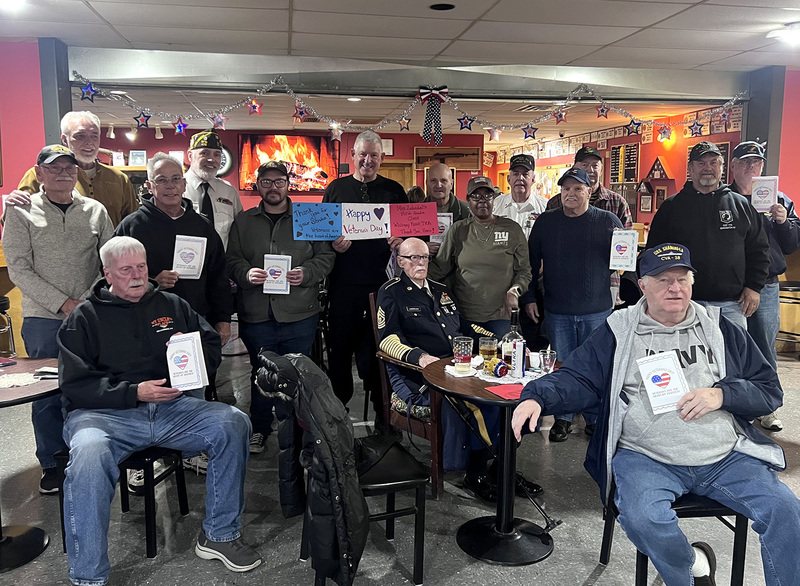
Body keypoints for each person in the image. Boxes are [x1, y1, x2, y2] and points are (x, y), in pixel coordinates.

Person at [512, 243, 800, 586]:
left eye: (682, 279)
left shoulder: (720, 328)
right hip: (647, 456)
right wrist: (537, 398)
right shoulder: (618, 331)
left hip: (723, 455)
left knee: (786, 510)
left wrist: (722, 394)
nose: (675, 288)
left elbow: (769, 390)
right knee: (643, 518)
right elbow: (578, 377)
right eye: (663, 279)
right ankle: (692, 568)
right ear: (643, 285)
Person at [57, 237, 261, 586]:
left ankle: (219, 535)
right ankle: (88, 575)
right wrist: (133, 392)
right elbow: (75, 384)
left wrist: (192, 356)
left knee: (233, 422)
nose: (137, 276)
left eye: (142, 267)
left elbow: (210, 342)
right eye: (126, 270)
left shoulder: (171, 304)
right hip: (105, 416)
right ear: (107, 273)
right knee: (88, 455)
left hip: (172, 408)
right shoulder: (84, 317)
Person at [377, 237, 541, 502]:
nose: (420, 263)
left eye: (424, 257)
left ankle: (502, 467)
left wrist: (502, 344)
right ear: (400, 261)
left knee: (511, 396)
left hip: (460, 367)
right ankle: (475, 473)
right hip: (420, 375)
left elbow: (466, 329)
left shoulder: (441, 289)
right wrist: (420, 358)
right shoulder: (391, 291)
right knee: (479, 405)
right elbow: (387, 339)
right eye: (413, 258)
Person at [2, 144, 114, 494]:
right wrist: (63, 302)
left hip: (89, 315)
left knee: (88, 385)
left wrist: (88, 299)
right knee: (47, 393)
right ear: (39, 172)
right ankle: (52, 461)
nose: (63, 173)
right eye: (54, 168)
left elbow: (107, 260)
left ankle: (88, 452)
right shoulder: (21, 212)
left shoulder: (95, 210)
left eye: (69, 167)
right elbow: (18, 266)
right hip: (42, 319)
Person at [115, 152, 233, 452]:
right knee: (145, 391)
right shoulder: (132, 227)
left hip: (190, 326)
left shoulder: (201, 226)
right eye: (162, 180)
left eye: (176, 179)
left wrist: (222, 318)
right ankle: (141, 454)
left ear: (184, 183)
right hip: (140, 328)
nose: (170, 186)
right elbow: (111, 279)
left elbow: (218, 275)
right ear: (150, 186)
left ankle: (192, 452)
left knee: (192, 390)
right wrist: (153, 281)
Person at [226, 160, 334, 454]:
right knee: (261, 372)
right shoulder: (243, 221)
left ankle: (298, 429)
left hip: (299, 311)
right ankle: (259, 428)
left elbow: (326, 257)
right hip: (257, 312)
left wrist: (307, 273)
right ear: (257, 185)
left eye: (279, 181)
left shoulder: (310, 217)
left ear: (289, 185)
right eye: (266, 182)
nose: (273, 187)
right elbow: (232, 259)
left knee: (298, 372)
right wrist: (246, 274)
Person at [523, 167, 623, 441]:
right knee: (563, 367)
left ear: (589, 190)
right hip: (558, 310)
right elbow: (530, 265)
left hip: (597, 310)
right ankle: (563, 419)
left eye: (577, 188)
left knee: (595, 365)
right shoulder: (546, 222)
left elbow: (624, 261)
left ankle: (592, 418)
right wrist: (529, 297)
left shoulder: (608, 221)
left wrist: (630, 289)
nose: (571, 194)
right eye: (566, 189)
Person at [322, 130, 407, 420]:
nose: (368, 160)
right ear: (353, 156)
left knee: (380, 351)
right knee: (340, 352)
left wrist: (401, 241)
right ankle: (337, 413)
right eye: (363, 154)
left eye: (374, 155)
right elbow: (320, 234)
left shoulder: (395, 191)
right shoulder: (335, 189)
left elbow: (411, 234)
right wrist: (332, 243)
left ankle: (384, 414)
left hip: (383, 286)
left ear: (382, 158)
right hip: (343, 285)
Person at [647, 141, 769, 329]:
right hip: (684, 303)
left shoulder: (741, 205)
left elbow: (759, 250)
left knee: (733, 357)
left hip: (732, 305)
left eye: (713, 162)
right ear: (691, 168)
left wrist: (754, 287)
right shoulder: (671, 207)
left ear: (722, 167)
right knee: (687, 357)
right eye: (701, 163)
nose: (708, 168)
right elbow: (654, 252)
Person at [729, 140, 800, 432]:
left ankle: (768, 406)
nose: (751, 167)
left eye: (756, 162)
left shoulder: (778, 199)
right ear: (732, 166)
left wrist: (784, 222)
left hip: (768, 287)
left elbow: (793, 244)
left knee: (764, 348)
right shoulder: (722, 197)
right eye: (745, 162)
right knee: (732, 348)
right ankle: (736, 406)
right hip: (730, 286)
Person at [429, 176, 531, 340]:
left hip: (501, 316)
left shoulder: (512, 229)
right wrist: (411, 268)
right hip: (464, 315)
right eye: (476, 196)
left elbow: (524, 271)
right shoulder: (458, 230)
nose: (482, 200)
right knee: (464, 363)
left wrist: (515, 290)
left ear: (494, 199)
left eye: (487, 196)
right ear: (468, 200)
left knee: (502, 363)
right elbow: (440, 267)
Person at [13, 111, 139, 226]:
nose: (89, 142)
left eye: (94, 136)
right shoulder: (41, 175)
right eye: (80, 136)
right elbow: (17, 220)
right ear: (65, 140)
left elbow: (133, 220)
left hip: (110, 249)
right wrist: (14, 202)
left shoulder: (118, 178)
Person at [547, 146, 633, 307]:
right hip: (563, 286)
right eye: (584, 165)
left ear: (601, 168)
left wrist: (617, 243)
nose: (590, 169)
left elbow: (627, 250)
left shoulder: (617, 203)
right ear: (574, 168)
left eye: (595, 165)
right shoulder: (555, 203)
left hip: (606, 284)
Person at [183, 130, 243, 249]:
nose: (211, 159)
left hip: (222, 264)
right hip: (186, 261)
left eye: (216, 154)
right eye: (204, 153)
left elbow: (239, 231)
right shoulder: (176, 188)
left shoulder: (229, 192)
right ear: (190, 156)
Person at [493, 154, 548, 240]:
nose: (520, 178)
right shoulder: (496, 204)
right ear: (508, 179)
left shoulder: (545, 206)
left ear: (533, 179)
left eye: (525, 174)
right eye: (515, 174)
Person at [423, 162, 470, 256]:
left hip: (457, 268)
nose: (438, 185)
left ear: (451, 184)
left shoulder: (467, 212)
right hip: (426, 268)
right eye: (433, 180)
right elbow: (409, 243)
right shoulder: (415, 212)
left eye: (443, 181)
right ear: (426, 183)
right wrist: (422, 247)